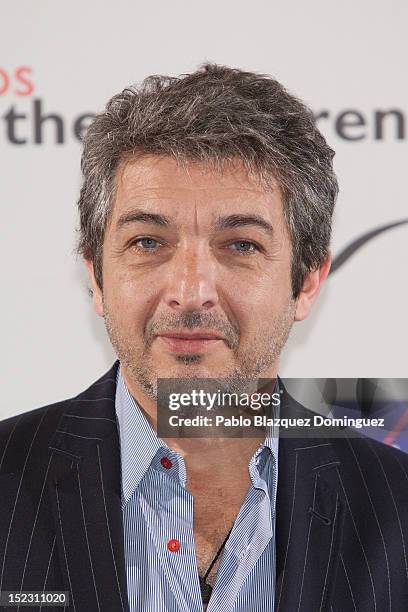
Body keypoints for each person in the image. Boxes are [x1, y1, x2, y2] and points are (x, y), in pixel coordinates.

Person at [0, 63, 407, 612]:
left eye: (240, 245)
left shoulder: (397, 503)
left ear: (307, 281)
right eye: (148, 242)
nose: (190, 292)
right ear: (96, 277)